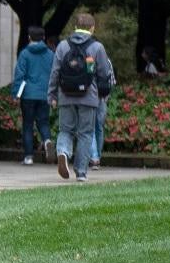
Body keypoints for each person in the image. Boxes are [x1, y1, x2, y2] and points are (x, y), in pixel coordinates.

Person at [48, 13, 115, 182]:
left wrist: (52, 95)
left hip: (66, 95)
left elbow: (55, 72)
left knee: (66, 130)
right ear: (92, 28)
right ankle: (81, 172)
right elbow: (104, 74)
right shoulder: (97, 47)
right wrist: (103, 95)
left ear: (75, 27)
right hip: (89, 97)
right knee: (86, 133)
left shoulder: (63, 46)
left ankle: (63, 152)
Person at [11, 24, 55, 165]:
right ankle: (47, 140)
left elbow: (19, 75)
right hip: (44, 94)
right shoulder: (50, 54)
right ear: (43, 37)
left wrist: (16, 94)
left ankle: (29, 157)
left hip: (28, 94)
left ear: (29, 37)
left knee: (28, 125)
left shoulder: (25, 54)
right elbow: (55, 75)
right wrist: (54, 95)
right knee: (43, 122)